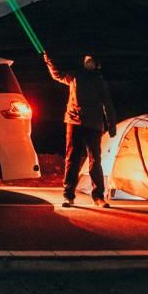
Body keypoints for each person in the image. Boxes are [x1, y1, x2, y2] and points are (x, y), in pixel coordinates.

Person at [44, 52, 118, 208]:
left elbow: (108, 104)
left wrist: (111, 125)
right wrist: (49, 60)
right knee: (72, 159)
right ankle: (68, 196)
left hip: (94, 124)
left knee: (95, 160)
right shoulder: (75, 77)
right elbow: (57, 75)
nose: (89, 62)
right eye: (87, 60)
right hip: (74, 122)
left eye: (91, 60)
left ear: (96, 64)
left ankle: (98, 197)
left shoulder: (100, 82)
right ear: (83, 63)